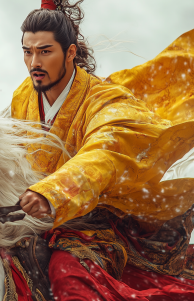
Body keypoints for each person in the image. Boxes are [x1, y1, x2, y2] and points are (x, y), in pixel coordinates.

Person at [14, 0, 194, 300]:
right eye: (27, 51)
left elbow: (104, 154)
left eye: (45, 51)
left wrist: (52, 192)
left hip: (96, 220)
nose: (34, 62)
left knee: (69, 278)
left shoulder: (105, 100)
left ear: (70, 52)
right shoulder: (23, 95)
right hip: (31, 216)